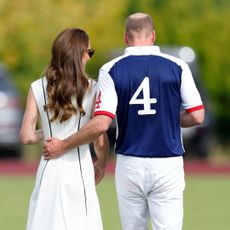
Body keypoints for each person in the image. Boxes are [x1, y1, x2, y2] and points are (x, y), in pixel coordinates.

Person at [43, 13, 205, 230]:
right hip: (168, 161)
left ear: (126, 38)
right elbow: (197, 115)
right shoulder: (178, 66)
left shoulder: (111, 69)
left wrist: (63, 145)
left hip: (130, 162)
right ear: (153, 35)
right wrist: (167, 117)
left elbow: (101, 124)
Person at [20, 28, 108, 230]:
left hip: (48, 169)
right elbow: (99, 138)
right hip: (79, 168)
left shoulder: (37, 87)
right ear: (79, 55)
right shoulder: (94, 88)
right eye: (89, 52)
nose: (90, 57)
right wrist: (101, 165)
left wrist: (50, 134)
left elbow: (26, 137)